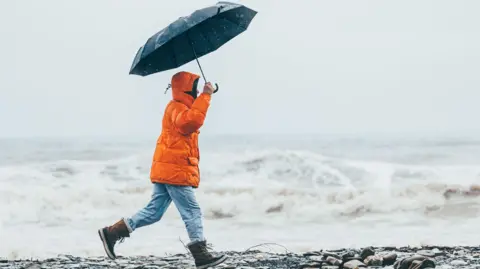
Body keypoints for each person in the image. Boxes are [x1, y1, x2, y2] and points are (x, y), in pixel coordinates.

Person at [98, 71, 227, 269]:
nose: (197, 90)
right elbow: (189, 123)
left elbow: (192, 117)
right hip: (174, 169)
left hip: (169, 168)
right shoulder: (176, 107)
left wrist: (204, 96)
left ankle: (112, 232)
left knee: (154, 212)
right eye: (194, 87)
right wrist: (206, 96)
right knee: (192, 210)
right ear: (187, 89)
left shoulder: (181, 107)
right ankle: (201, 255)